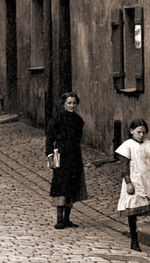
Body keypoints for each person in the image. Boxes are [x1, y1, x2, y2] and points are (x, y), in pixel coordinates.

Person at [115, 118, 150, 252]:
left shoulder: (149, 145)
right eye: (139, 132)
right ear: (131, 131)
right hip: (135, 181)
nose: (141, 135)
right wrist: (128, 182)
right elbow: (123, 167)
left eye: (144, 132)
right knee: (133, 211)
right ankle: (134, 241)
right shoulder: (127, 145)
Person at [45, 92, 88, 229]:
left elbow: (78, 139)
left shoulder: (78, 121)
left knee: (72, 185)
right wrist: (50, 154)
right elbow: (49, 139)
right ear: (63, 104)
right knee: (60, 185)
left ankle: (67, 218)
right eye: (69, 103)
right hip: (60, 154)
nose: (72, 105)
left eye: (74, 103)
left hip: (74, 156)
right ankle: (59, 219)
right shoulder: (56, 120)